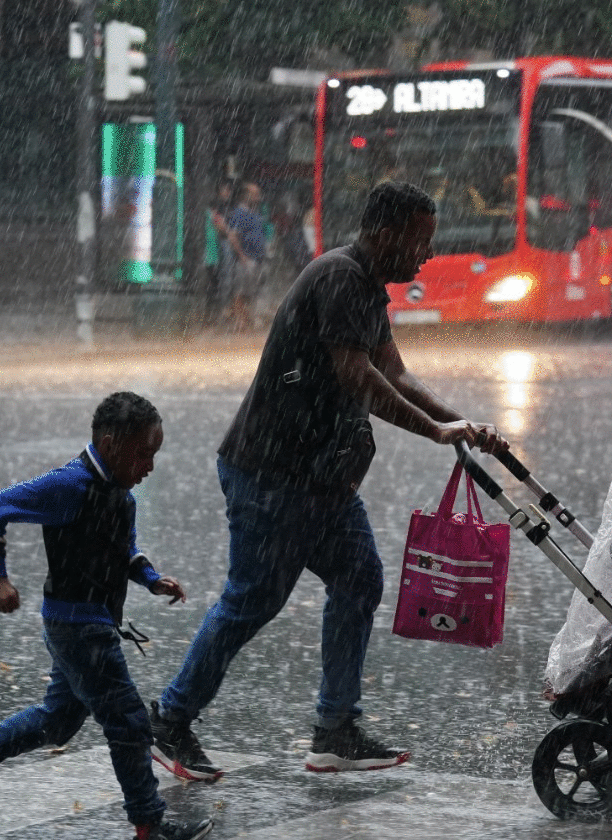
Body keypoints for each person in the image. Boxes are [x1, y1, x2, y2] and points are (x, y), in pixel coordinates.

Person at [150, 181, 508, 780]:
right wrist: (433, 432)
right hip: (271, 472)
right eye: (419, 243)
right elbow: (358, 377)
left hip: (320, 480)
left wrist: (459, 423)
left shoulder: (367, 288)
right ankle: (170, 719)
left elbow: (395, 371)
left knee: (358, 578)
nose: (423, 256)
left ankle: (335, 730)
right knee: (252, 600)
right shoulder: (339, 277)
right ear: (386, 233)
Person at [0, 392, 213, 840]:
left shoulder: (122, 495)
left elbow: (122, 549)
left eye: (153, 455)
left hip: (89, 623)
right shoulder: (69, 485)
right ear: (109, 442)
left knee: (59, 720)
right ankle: (149, 827)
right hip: (78, 627)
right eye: (143, 454)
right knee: (129, 723)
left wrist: (152, 579)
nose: (149, 467)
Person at [222, 181, 267, 332]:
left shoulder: (255, 213)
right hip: (246, 259)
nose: (258, 197)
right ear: (245, 196)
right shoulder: (239, 214)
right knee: (240, 291)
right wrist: (242, 256)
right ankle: (240, 322)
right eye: (254, 194)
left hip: (257, 258)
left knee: (252, 291)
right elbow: (233, 236)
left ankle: (246, 321)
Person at [203, 179, 235, 323]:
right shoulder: (213, 214)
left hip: (211, 256)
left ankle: (212, 315)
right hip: (211, 256)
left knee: (213, 285)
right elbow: (223, 228)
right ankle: (214, 314)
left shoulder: (210, 214)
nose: (227, 193)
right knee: (215, 285)